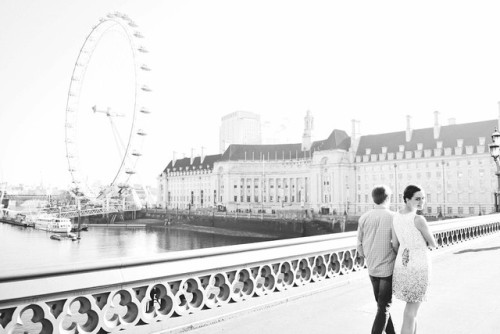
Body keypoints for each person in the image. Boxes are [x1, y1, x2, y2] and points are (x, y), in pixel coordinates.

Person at [391, 185, 437, 334]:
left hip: (402, 265)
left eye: (423, 198)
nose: (421, 202)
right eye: (417, 199)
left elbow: (395, 244)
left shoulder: (396, 217)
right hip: (419, 265)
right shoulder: (418, 219)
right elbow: (433, 243)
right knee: (411, 311)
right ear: (407, 199)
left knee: (411, 309)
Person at [357, 185, 397, 334]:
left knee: (382, 307)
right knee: (384, 307)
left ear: (373, 199)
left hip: (372, 268)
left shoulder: (364, 217)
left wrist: (367, 256)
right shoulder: (393, 217)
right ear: (388, 199)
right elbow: (397, 244)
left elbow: (359, 245)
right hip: (387, 268)